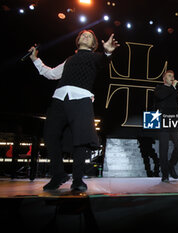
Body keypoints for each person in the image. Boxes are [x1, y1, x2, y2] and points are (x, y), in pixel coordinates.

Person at [29, 30, 120, 191]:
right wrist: (35, 59)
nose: (85, 36)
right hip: (59, 98)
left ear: (93, 44)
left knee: (81, 139)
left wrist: (107, 52)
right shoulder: (69, 60)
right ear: (78, 40)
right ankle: (58, 174)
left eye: (89, 36)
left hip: (81, 98)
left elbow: (104, 60)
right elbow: (50, 74)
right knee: (50, 135)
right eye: (83, 35)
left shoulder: (95, 57)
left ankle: (77, 179)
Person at [154, 70, 178, 182]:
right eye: (169, 76)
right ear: (164, 78)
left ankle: (171, 165)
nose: (172, 78)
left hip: (174, 121)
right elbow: (161, 97)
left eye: (173, 76)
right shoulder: (159, 88)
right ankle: (165, 174)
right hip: (163, 120)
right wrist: (173, 88)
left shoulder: (175, 91)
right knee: (164, 148)